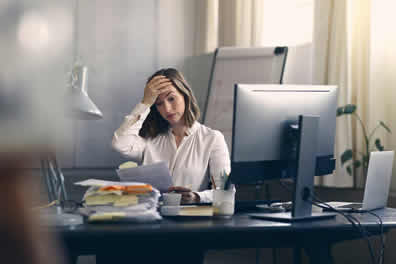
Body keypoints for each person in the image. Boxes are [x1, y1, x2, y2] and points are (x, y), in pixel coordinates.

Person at [112, 68, 230, 203]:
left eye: (171, 98)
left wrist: (196, 197)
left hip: (189, 219)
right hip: (153, 217)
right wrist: (145, 103)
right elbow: (120, 144)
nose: (167, 109)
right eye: (159, 103)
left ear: (185, 95)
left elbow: (224, 192)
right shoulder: (150, 139)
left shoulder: (212, 139)